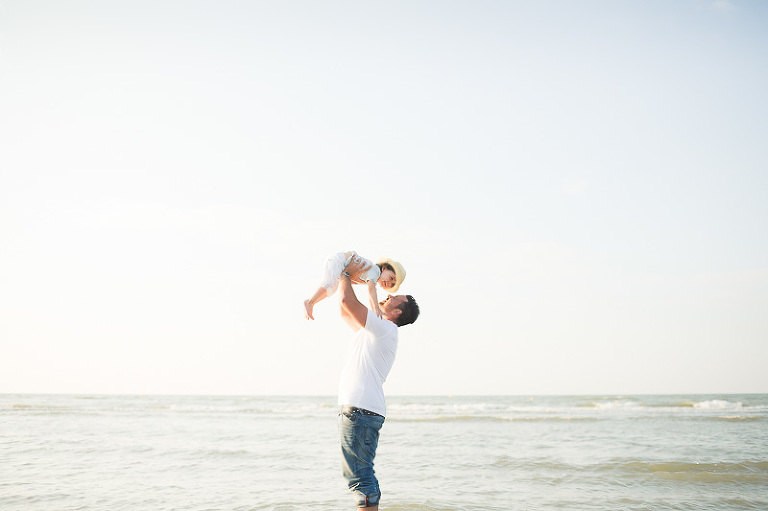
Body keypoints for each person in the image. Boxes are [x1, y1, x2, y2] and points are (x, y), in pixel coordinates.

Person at [335, 257, 420, 510]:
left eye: (394, 298)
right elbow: (344, 309)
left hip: (361, 410)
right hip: (361, 410)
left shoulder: (385, 328)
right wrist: (355, 279)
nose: (387, 296)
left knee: (360, 478)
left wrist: (344, 271)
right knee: (360, 476)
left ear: (396, 312)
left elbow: (346, 301)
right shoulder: (373, 330)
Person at [304, 251, 406, 320]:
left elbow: (367, 291)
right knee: (330, 284)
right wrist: (376, 308)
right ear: (384, 268)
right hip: (339, 261)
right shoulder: (375, 271)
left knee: (332, 287)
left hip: (338, 263)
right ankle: (310, 302)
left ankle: (311, 302)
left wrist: (374, 309)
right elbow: (371, 291)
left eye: (392, 285)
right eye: (391, 277)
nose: (389, 282)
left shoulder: (370, 276)